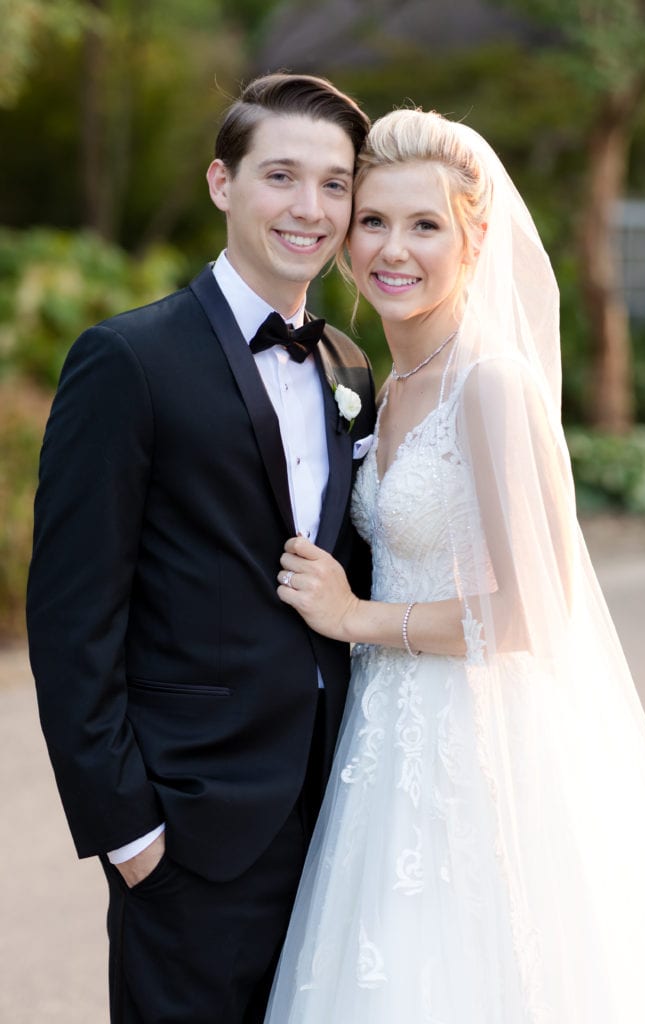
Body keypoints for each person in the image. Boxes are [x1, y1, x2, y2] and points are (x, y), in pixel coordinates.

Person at [265, 108, 645, 1023]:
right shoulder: (387, 382)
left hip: (478, 741)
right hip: (380, 745)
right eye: (373, 221)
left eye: (424, 225)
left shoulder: (492, 385)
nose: (392, 250)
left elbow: (535, 614)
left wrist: (355, 618)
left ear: (475, 237)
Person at [26, 72, 375, 1023]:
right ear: (223, 183)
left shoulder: (350, 363)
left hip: (339, 819)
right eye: (282, 176)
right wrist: (128, 829)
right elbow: (70, 615)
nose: (310, 209)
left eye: (336, 184)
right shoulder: (126, 360)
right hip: (190, 827)